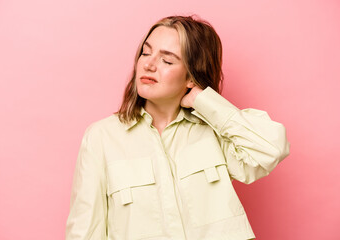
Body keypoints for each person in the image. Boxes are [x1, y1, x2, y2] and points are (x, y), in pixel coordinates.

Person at [65, 15, 290, 240]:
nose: (149, 64)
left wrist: (204, 101)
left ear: (191, 76)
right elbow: (84, 232)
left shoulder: (214, 131)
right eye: (145, 52)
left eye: (167, 60)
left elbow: (270, 148)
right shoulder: (102, 137)